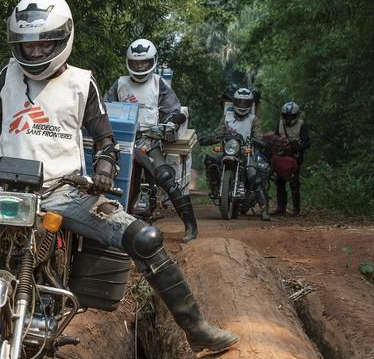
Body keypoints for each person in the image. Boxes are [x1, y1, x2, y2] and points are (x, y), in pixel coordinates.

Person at [0, 0, 237, 353]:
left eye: (45, 44)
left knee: (146, 239)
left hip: (65, 189)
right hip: (2, 187)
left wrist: (105, 168)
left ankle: (196, 328)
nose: (36, 52)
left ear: (63, 39)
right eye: (27, 46)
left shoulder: (81, 83)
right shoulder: (7, 76)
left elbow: (106, 141)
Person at [105, 39, 198, 242]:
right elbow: (105, 108)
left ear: (152, 62)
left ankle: (190, 225)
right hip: (122, 142)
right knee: (106, 175)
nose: (139, 67)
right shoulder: (120, 84)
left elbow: (174, 110)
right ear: (129, 62)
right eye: (136, 63)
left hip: (149, 141)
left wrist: (171, 121)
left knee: (165, 176)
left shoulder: (158, 83)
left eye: (144, 63)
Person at [204, 86, 271, 221]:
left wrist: (257, 141)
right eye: (239, 102)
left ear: (250, 104)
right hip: (229, 150)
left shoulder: (253, 119)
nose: (241, 106)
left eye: (245, 103)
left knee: (254, 175)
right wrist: (213, 138)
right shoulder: (227, 116)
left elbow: (259, 136)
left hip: (246, 153)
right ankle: (216, 188)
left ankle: (264, 209)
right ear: (234, 102)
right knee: (210, 161)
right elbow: (219, 131)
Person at [271, 101, 310, 216]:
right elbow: (275, 139)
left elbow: (307, 142)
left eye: (291, 116)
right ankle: (281, 208)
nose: (288, 118)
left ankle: (296, 210)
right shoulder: (279, 125)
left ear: (295, 116)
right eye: (286, 116)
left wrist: (296, 147)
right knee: (280, 181)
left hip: (295, 157)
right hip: (282, 156)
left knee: (294, 182)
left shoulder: (301, 125)